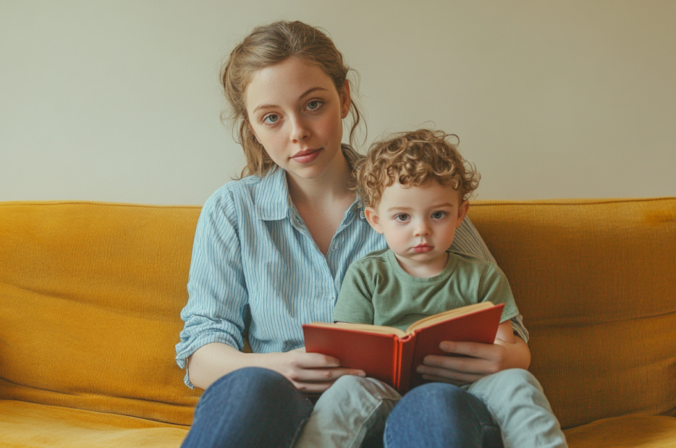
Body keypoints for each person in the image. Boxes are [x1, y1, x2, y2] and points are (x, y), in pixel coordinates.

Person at [175, 20, 532, 448]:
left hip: (410, 407)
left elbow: (507, 330)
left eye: (313, 105)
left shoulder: (414, 192)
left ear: (343, 99)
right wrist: (280, 366)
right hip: (291, 405)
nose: (298, 132)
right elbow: (202, 352)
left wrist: (502, 357)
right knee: (249, 387)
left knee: (433, 404)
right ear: (252, 127)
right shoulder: (233, 210)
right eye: (272, 117)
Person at [294, 129, 566, 448]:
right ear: (375, 220)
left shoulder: (482, 276)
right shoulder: (366, 274)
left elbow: (504, 347)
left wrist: (506, 358)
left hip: (466, 392)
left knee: (518, 382)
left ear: (460, 214)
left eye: (438, 215)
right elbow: (349, 351)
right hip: (382, 392)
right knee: (343, 393)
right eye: (402, 217)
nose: (421, 230)